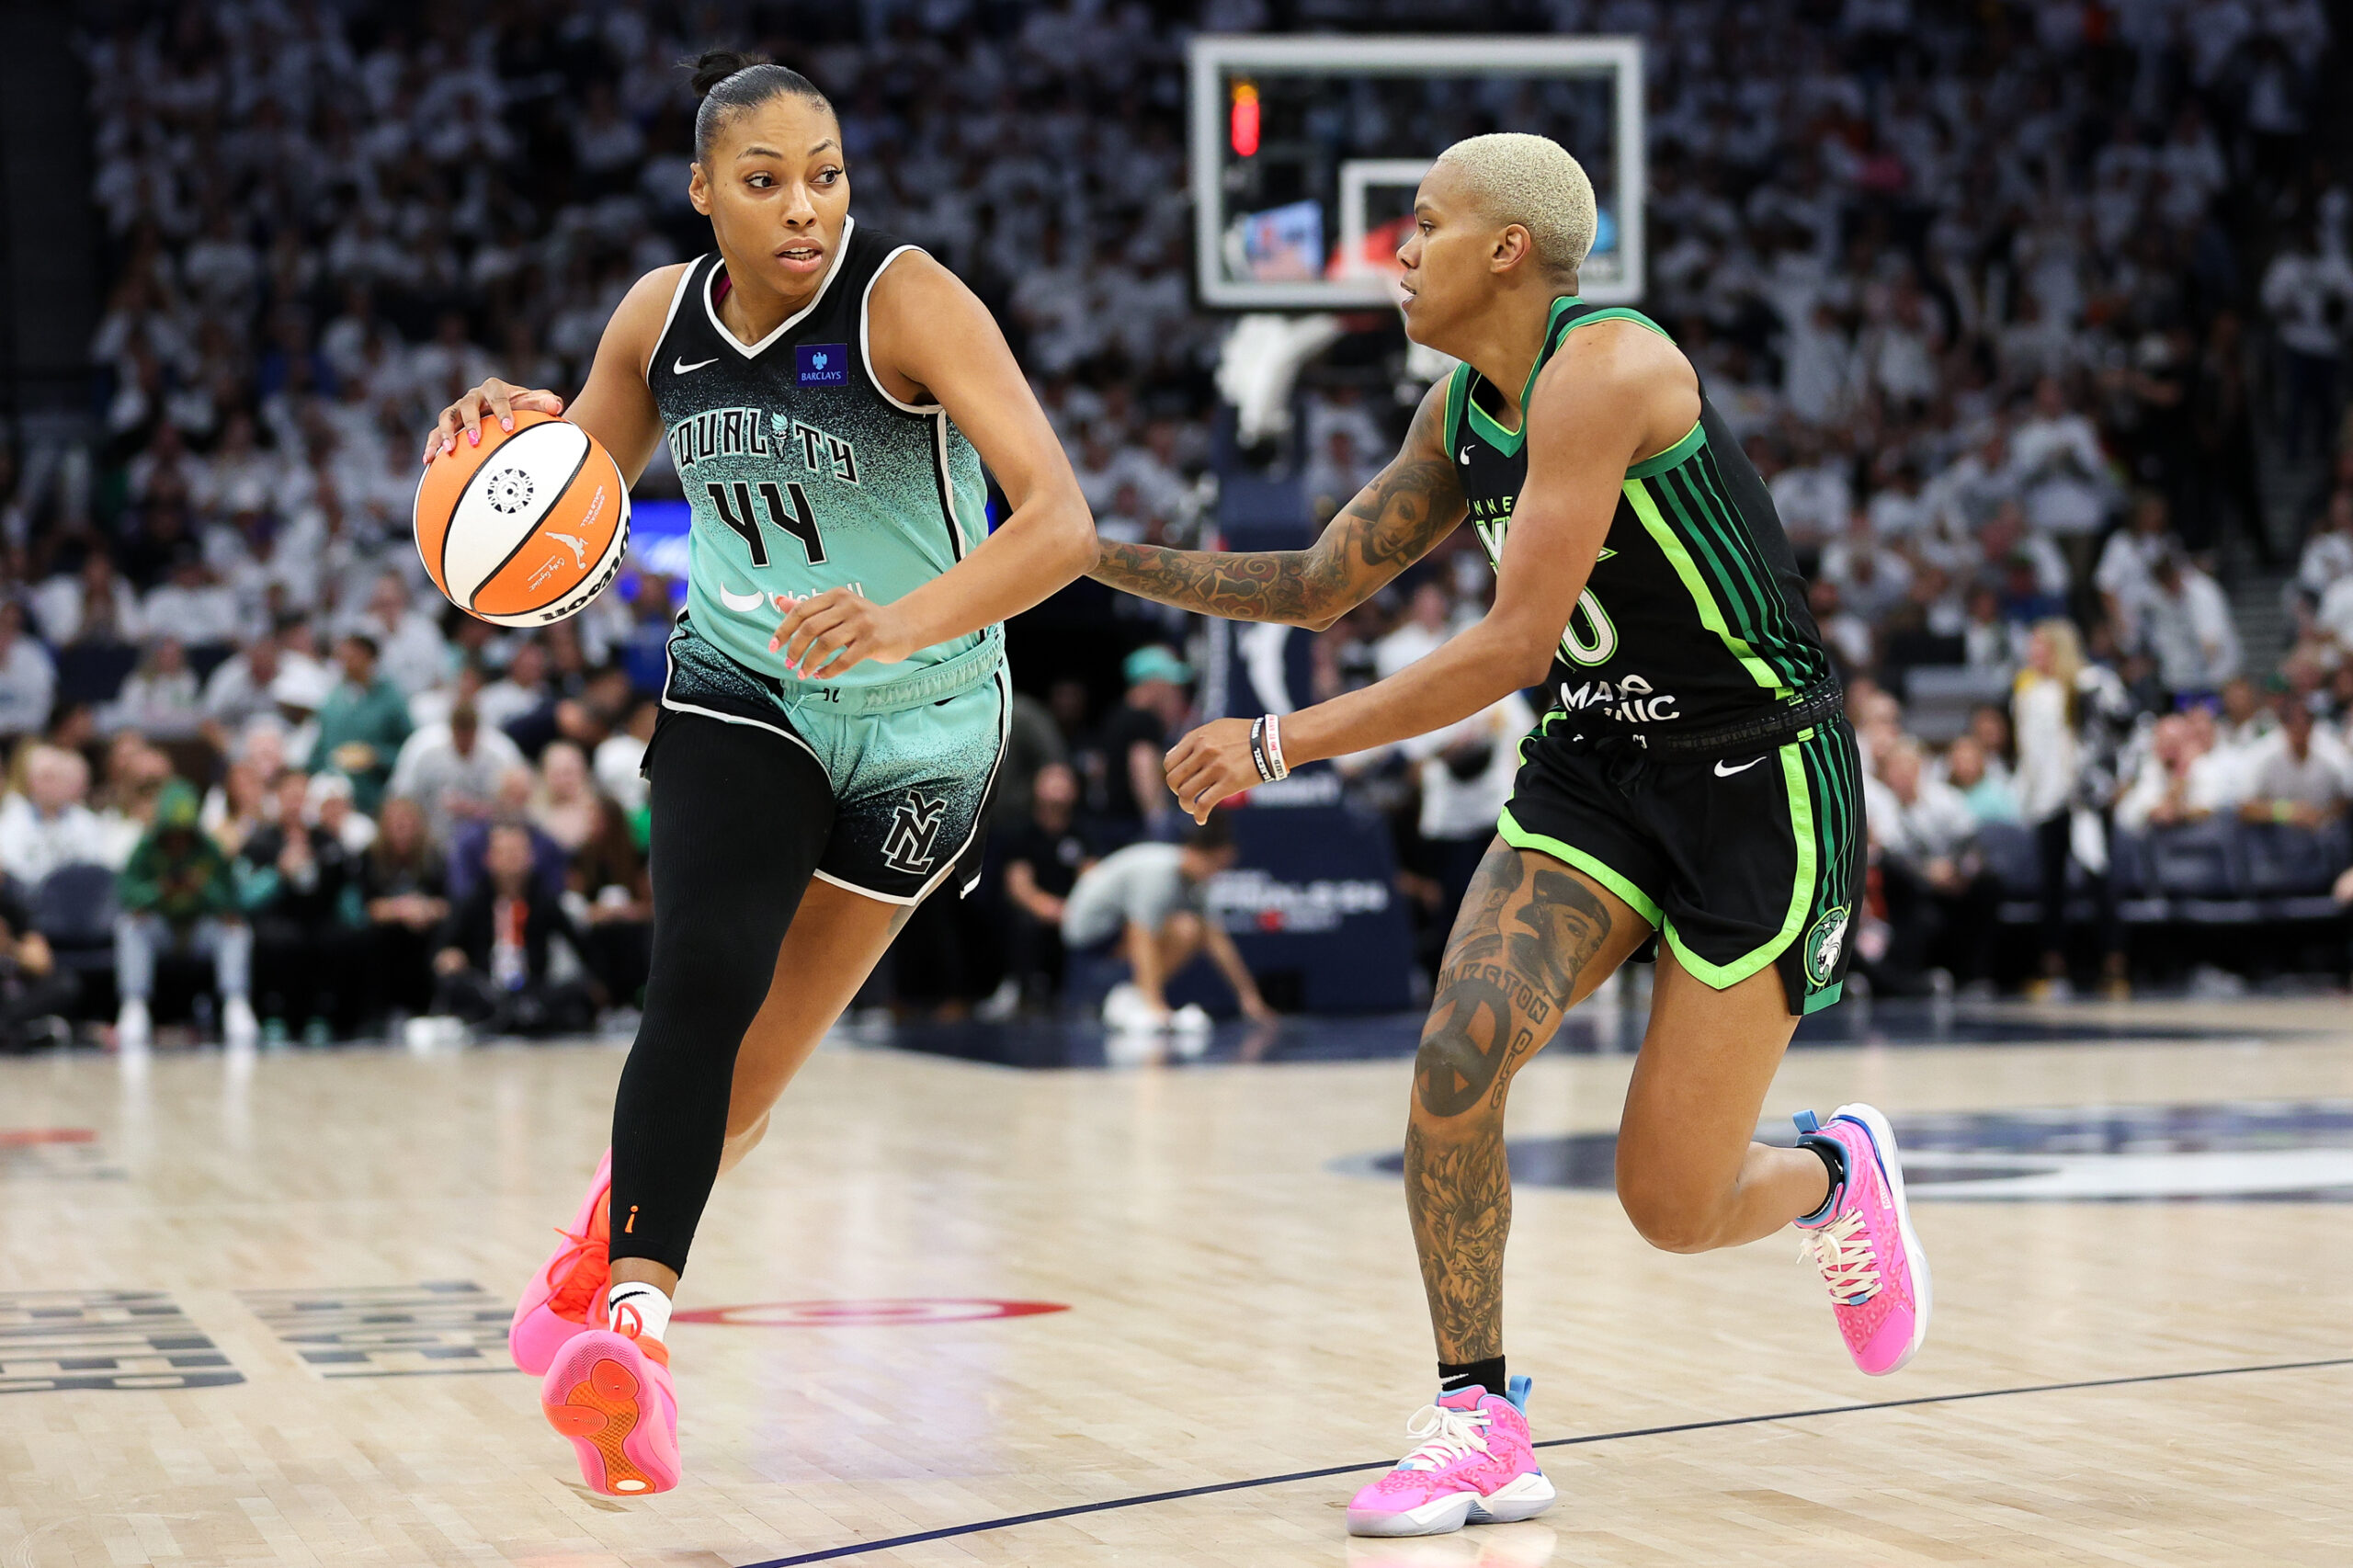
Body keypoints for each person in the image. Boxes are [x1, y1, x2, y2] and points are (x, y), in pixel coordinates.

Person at [1091, 132, 1920, 1539]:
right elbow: (1308, 586)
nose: (1395, 251)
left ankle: (1836, 1174)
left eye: (1420, 225)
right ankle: (1478, 1416)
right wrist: (1084, 551)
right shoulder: (1456, 410)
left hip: (1758, 783)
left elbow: (1513, 642)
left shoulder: (1605, 369)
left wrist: (1276, 746)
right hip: (1601, 772)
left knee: (1668, 1200)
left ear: (1505, 250)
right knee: (1458, 1048)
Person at [425, 51, 1093, 1496]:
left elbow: (1063, 528)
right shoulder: (657, 321)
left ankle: (602, 1235)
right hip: (744, 684)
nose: (806, 208)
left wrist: (903, 616)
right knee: (700, 975)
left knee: (759, 1068)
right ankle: (635, 1337)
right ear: (701, 192)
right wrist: (505, 441)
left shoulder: (906, 299)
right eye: (767, 179)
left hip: (926, 718)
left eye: (828, 173)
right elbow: (568, 502)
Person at [1059, 814, 1270, 1030]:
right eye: (1217, 865)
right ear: (1197, 853)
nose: (1218, 874)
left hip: (1116, 929)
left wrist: (1249, 997)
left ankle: (1135, 996)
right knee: (1177, 928)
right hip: (1089, 934)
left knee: (1192, 929)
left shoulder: (1198, 883)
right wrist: (1156, 1007)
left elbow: (1217, 939)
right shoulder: (1158, 874)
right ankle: (1146, 1001)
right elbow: (1140, 933)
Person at [114, 778, 256, 1050]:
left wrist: (202, 888)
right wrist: (159, 891)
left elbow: (232, 900)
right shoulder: (145, 849)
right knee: (129, 926)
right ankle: (134, 1006)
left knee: (236, 929)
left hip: (200, 931)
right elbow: (127, 896)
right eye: (172, 834)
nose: (178, 840)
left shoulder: (209, 850)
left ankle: (236, 1003)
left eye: (184, 834)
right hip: (161, 931)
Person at [426, 820, 598, 1039]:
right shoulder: (473, 900)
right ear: (489, 858)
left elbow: (579, 942)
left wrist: (595, 982)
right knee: (455, 984)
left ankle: (519, 1015)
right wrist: (448, 956)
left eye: (517, 852)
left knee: (576, 991)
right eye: (504, 852)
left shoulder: (543, 899)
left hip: (533, 989)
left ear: (530, 857)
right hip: (486, 988)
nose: (511, 859)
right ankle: (508, 1016)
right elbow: (443, 945)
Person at [999, 760, 1092, 1008]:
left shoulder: (1083, 833)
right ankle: (1022, 989)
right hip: (1038, 909)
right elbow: (1019, 885)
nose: (1057, 787)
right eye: (1050, 779)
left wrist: (1073, 909)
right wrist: (1047, 907)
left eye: (1064, 780)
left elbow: (1092, 879)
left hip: (1075, 909)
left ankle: (1081, 996)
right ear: (1036, 787)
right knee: (1022, 923)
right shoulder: (1021, 833)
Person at [310, 633, 413, 811]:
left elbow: (410, 748)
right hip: (334, 799)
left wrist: (378, 756)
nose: (347, 661)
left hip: (374, 796)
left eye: (353, 655)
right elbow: (319, 750)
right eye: (344, 656)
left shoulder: (390, 699)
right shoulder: (332, 700)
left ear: (370, 658)